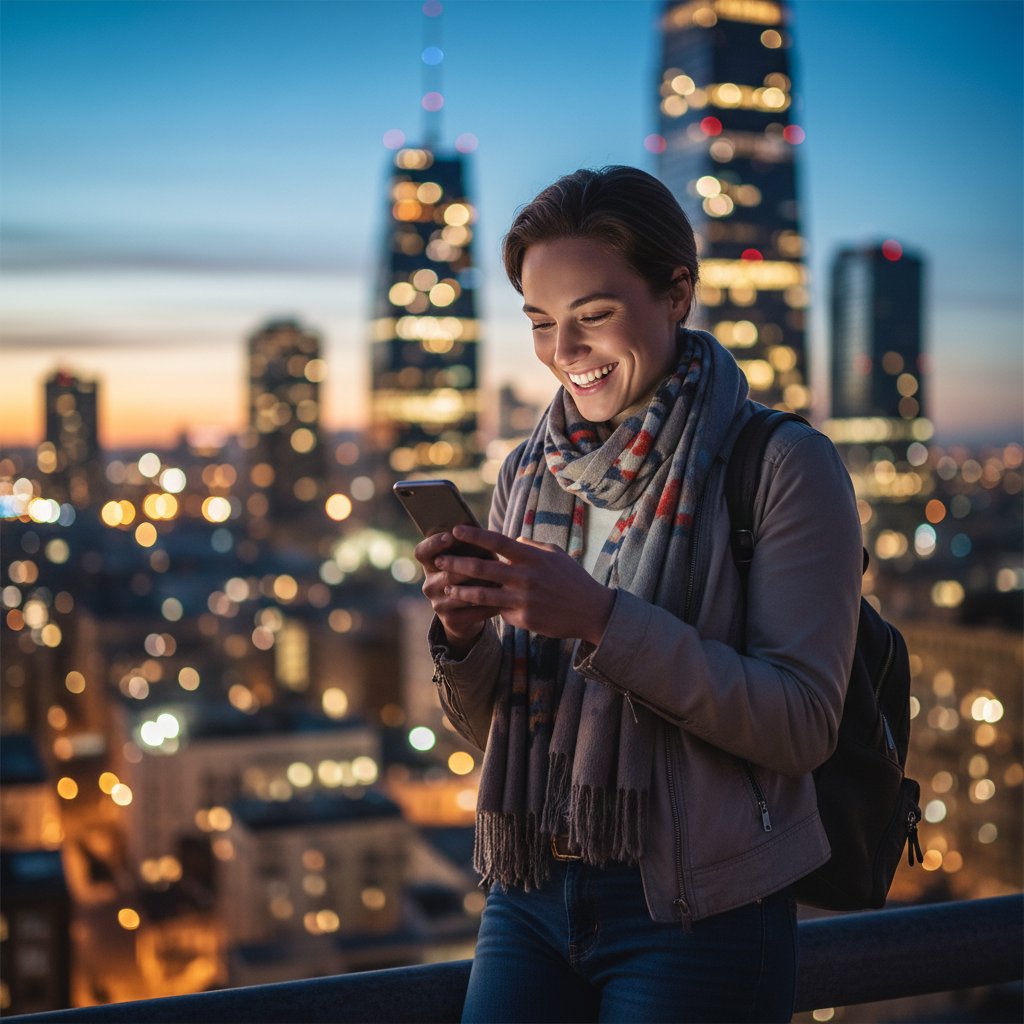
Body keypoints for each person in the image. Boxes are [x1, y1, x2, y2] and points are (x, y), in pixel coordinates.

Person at [413, 166, 862, 1023]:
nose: (563, 352)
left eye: (593, 315)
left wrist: (599, 621)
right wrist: (465, 638)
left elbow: (801, 723)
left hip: (700, 911)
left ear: (676, 295)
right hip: (530, 890)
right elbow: (497, 732)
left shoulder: (780, 466)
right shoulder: (529, 472)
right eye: (542, 323)